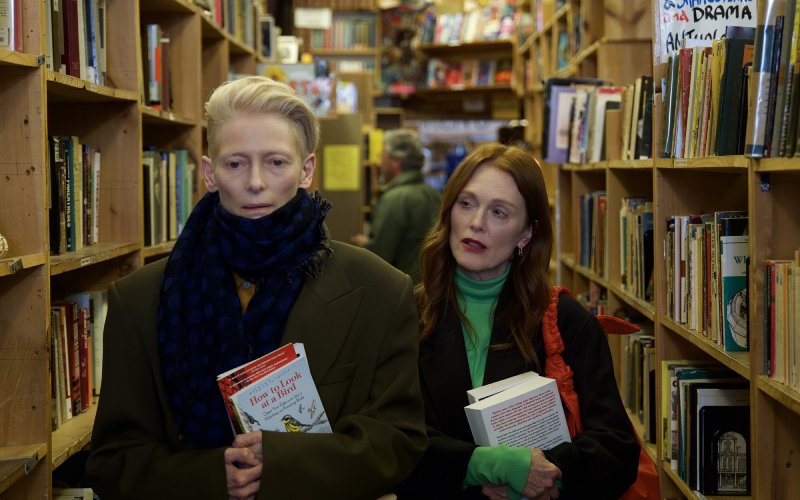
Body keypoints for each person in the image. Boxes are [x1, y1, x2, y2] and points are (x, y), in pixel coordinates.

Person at [85, 76, 427, 500]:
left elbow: (398, 440)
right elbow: (112, 460)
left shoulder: (380, 291)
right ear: (209, 174)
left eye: (276, 162)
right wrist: (211, 477)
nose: (256, 182)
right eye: (235, 163)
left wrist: (280, 465)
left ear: (306, 170)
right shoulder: (138, 300)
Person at [396, 143, 640, 499]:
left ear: (526, 233)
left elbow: (617, 451)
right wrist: (480, 465)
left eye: (499, 212)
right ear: (449, 212)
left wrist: (545, 474)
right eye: (466, 204)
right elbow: (393, 439)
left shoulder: (565, 320)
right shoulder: (406, 315)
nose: (476, 223)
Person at [351, 128, 441, 284]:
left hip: (402, 289)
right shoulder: (434, 195)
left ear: (396, 161)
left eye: (383, 156)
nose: (380, 163)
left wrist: (363, 245)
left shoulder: (394, 199)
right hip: (429, 286)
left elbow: (380, 257)